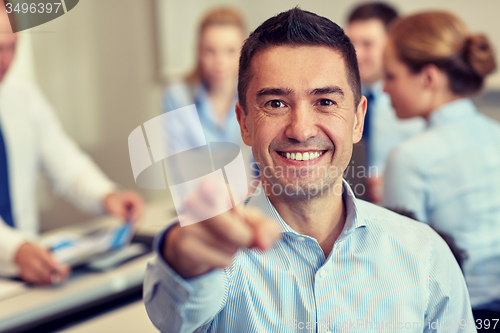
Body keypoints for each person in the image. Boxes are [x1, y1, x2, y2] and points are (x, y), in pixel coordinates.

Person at [144, 8, 475, 332]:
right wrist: (181, 262)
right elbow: (174, 314)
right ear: (244, 123)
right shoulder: (217, 262)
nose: (300, 130)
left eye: (326, 102)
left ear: (358, 119)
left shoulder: (427, 257)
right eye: (275, 103)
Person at [0, 6, 144, 285]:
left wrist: (106, 195)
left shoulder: (23, 98)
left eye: (12, 47)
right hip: (18, 258)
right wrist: (14, 250)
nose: (4, 60)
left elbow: (66, 163)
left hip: (29, 271)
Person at [382, 11, 500, 329]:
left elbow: (399, 273)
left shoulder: (410, 157)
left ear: (429, 78)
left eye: (391, 76)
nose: (384, 89)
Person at [346, 2, 424, 203]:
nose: (356, 54)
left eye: (367, 44)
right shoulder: (336, 99)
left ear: (392, 44)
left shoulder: (414, 104)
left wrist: (392, 183)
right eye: (351, 43)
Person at [162, 7, 245, 150]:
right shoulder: (177, 97)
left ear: (243, 52)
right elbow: (178, 161)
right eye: (210, 50)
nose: (220, 61)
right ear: (199, 51)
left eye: (230, 51)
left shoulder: (253, 97)